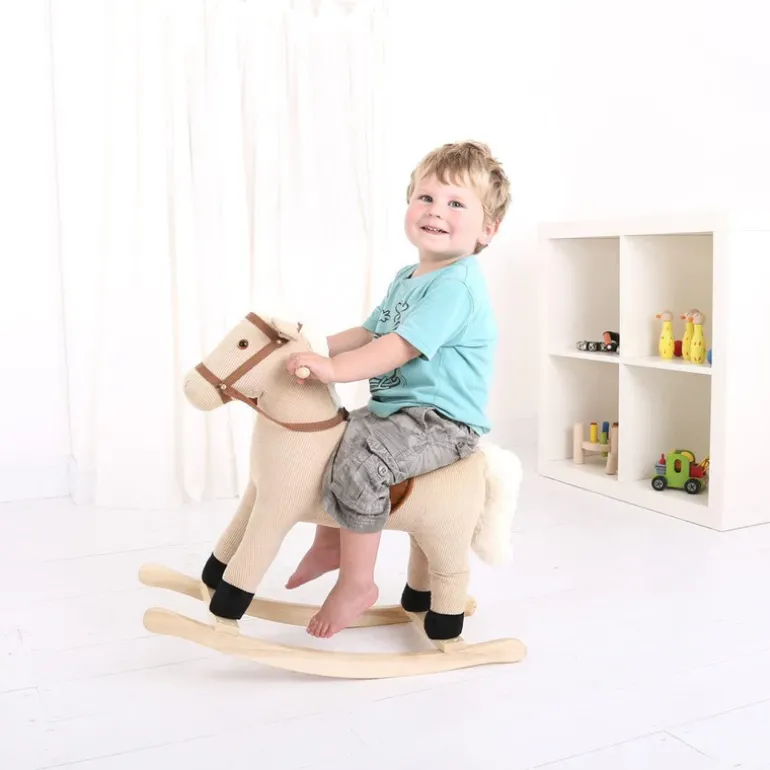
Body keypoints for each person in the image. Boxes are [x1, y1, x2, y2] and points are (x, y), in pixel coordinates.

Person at [285, 140, 511, 638]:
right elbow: (369, 332)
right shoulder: (408, 277)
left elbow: (396, 348)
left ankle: (357, 583)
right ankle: (330, 542)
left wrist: (332, 369)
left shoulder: (456, 286)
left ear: (487, 230)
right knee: (332, 439)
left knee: (365, 467)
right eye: (426, 197)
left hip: (441, 421)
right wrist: (311, 345)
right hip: (398, 411)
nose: (436, 211)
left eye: (456, 203)